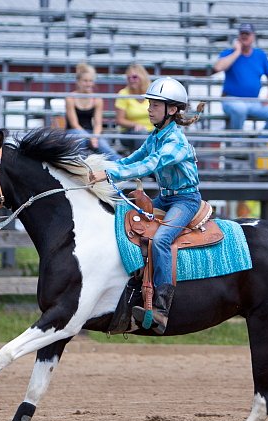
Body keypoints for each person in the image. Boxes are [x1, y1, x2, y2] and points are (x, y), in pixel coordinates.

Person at [89, 77, 205, 334]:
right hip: (166, 197)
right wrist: (100, 167)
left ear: (172, 110)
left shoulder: (175, 141)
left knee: (162, 240)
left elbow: (149, 166)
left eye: (155, 104)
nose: (149, 108)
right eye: (150, 103)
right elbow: (131, 159)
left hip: (185, 200)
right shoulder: (156, 136)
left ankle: (162, 308)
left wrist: (109, 176)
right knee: (125, 219)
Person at [213, 23, 268, 132]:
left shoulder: (260, 55)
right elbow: (218, 67)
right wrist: (237, 52)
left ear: (253, 36)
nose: (244, 36)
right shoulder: (229, 53)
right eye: (242, 33)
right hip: (231, 99)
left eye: (247, 33)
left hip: (254, 101)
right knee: (240, 109)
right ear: (238, 36)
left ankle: (261, 142)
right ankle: (236, 142)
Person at [65, 62, 120, 161]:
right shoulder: (70, 98)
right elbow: (74, 124)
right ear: (78, 82)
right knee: (80, 140)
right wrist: (89, 137)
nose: (88, 84)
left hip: (91, 132)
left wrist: (94, 136)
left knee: (107, 150)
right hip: (73, 132)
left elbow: (98, 124)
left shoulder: (97, 99)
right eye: (85, 81)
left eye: (90, 81)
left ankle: (127, 168)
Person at [115, 63, 153, 153]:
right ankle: (143, 163)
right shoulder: (123, 94)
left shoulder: (151, 92)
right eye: (129, 78)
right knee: (141, 134)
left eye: (135, 77)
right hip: (129, 132)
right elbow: (120, 120)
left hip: (152, 130)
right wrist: (135, 125)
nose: (132, 80)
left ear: (142, 77)